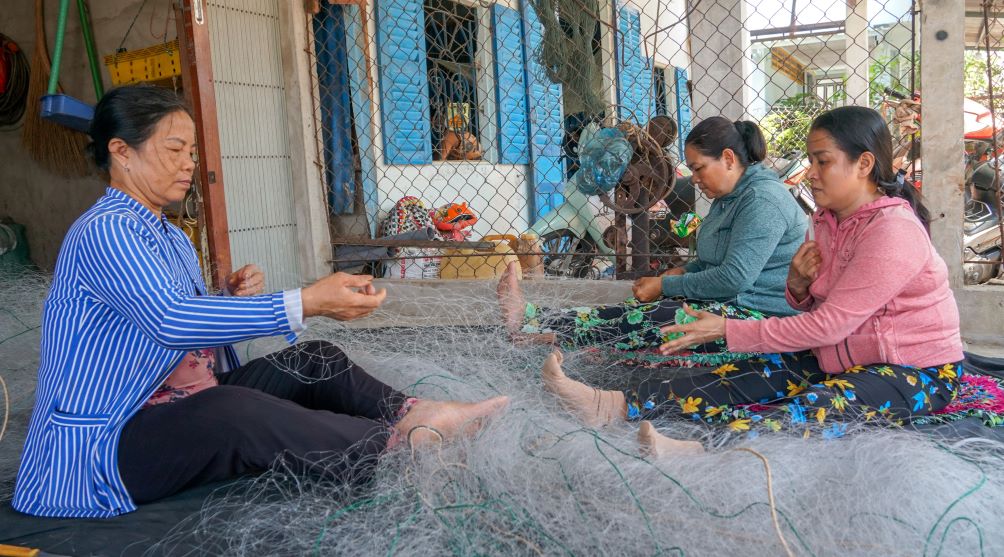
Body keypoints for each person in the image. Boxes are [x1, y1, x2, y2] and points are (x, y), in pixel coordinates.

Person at [12, 85, 507, 518]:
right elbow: (170, 321)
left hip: (179, 400)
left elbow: (163, 316)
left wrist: (222, 297)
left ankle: (412, 411)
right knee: (234, 412)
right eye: (175, 149)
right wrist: (305, 302)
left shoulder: (167, 234)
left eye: (191, 151)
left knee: (316, 359)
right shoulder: (105, 230)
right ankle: (405, 446)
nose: (189, 163)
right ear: (122, 151)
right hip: (111, 442)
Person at [536, 106, 964, 456]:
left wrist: (725, 327)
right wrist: (798, 289)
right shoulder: (829, 221)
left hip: (913, 369)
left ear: (864, 164)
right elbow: (820, 309)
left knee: (815, 406)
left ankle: (704, 451)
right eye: (811, 160)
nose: (811, 173)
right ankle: (609, 406)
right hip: (841, 353)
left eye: (822, 161)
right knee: (738, 374)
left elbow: (829, 324)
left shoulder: (892, 231)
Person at [498, 117, 808, 367]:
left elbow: (734, 278)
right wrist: (681, 273)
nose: (695, 179)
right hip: (730, 304)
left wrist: (666, 286)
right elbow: (714, 259)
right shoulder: (730, 197)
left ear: (728, 158)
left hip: (758, 320)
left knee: (660, 318)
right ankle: (534, 325)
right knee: (637, 310)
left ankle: (535, 326)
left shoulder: (762, 200)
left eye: (699, 168)